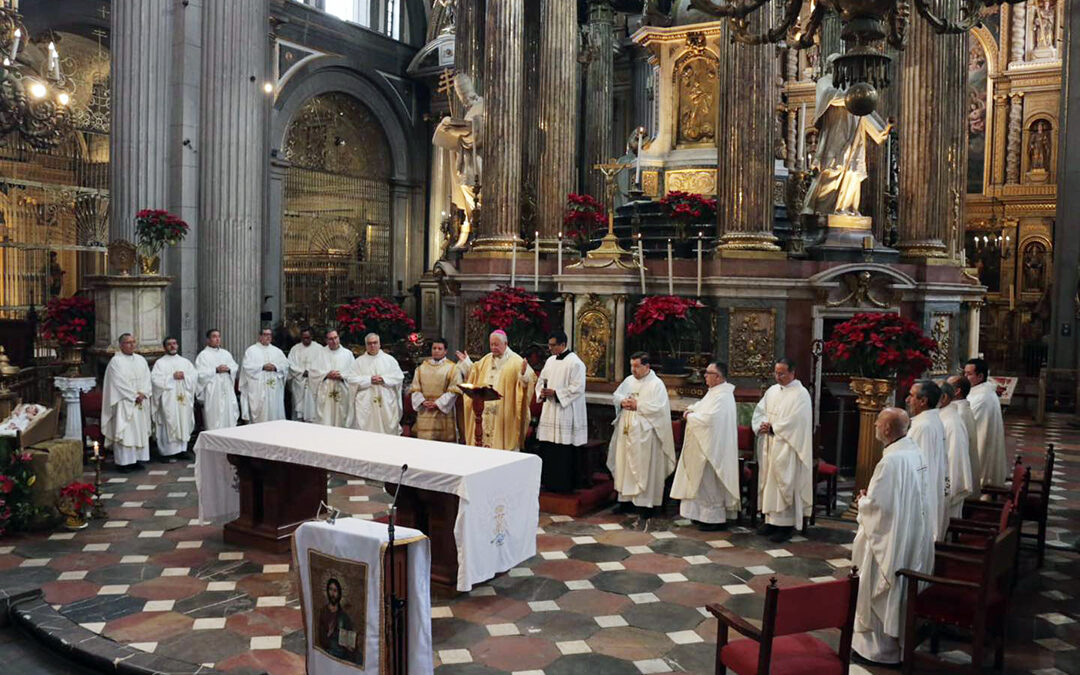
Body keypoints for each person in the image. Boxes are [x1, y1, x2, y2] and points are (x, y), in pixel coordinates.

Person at [851, 407, 934, 665]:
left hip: (888, 538)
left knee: (878, 584)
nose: (875, 425)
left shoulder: (890, 461)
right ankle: (893, 645)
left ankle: (878, 651)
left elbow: (880, 509)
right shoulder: (913, 451)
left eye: (878, 422)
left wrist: (864, 501)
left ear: (887, 429)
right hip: (908, 533)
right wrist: (872, 499)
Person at [670, 360, 739, 531]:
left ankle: (714, 519)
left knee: (710, 484)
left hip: (713, 449)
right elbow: (701, 407)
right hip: (704, 445)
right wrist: (692, 410)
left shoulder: (723, 396)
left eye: (708, 373)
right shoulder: (714, 392)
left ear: (717, 377)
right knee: (701, 483)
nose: (705, 376)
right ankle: (701, 516)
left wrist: (691, 417)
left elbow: (711, 419)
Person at [751, 357, 813, 543]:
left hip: (788, 446)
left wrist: (774, 428)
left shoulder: (801, 394)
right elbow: (760, 411)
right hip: (771, 444)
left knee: (783, 484)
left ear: (792, 373)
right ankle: (770, 520)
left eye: (782, 373)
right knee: (769, 482)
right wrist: (761, 425)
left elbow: (798, 421)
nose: (777, 377)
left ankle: (785, 525)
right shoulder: (772, 391)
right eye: (776, 373)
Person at [608, 353, 676, 515]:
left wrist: (638, 404)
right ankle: (625, 502)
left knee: (644, 468)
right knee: (624, 465)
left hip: (646, 435)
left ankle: (645, 504)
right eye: (632, 366)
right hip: (626, 432)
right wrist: (621, 401)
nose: (634, 370)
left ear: (647, 366)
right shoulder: (629, 381)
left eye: (637, 366)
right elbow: (617, 396)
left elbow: (659, 409)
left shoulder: (656, 384)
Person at [456, 330, 537, 450]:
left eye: (496, 344)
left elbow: (529, 380)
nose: (493, 347)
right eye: (491, 344)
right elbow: (474, 372)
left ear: (505, 343)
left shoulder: (516, 361)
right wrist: (466, 363)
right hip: (483, 412)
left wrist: (524, 375)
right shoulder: (486, 359)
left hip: (503, 413)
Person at [535, 330, 588, 493]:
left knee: (563, 449)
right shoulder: (550, 361)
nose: (550, 348)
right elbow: (541, 380)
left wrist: (557, 393)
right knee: (549, 447)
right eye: (549, 345)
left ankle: (564, 485)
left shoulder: (576, 363)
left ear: (563, 345)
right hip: (550, 409)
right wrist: (542, 392)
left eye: (553, 345)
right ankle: (549, 482)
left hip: (565, 411)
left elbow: (578, 388)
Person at [101, 333, 152, 473]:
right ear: (121, 345)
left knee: (138, 431)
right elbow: (118, 382)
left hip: (140, 401)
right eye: (128, 342)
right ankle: (123, 462)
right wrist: (134, 395)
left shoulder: (141, 360)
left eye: (133, 342)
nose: (131, 345)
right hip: (124, 401)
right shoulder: (116, 361)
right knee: (126, 431)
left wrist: (144, 393)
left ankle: (136, 460)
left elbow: (148, 378)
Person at [906, 379, 949, 542]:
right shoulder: (931, 420)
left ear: (923, 401)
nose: (907, 400)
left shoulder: (923, 427)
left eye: (911, 396)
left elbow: (920, 469)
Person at [347, 333, 404, 435]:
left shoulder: (389, 360)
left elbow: (399, 377)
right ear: (366, 345)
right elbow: (351, 379)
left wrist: (383, 379)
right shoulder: (359, 362)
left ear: (379, 344)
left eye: (375, 343)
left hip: (386, 402)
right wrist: (369, 380)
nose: (372, 346)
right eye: (369, 343)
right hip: (365, 402)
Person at [151, 336, 197, 462]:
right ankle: (167, 452)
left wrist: (185, 376)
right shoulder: (160, 363)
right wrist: (171, 377)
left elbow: (194, 376)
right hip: (168, 399)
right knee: (169, 421)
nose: (172, 346)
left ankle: (182, 450)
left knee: (183, 421)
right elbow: (155, 380)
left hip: (183, 399)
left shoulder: (185, 362)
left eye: (175, 343)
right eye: (169, 344)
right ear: (165, 347)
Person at [409, 337, 463, 442]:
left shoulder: (452, 368)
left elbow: (454, 390)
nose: (436, 351)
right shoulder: (421, 368)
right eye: (434, 348)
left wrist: (438, 403)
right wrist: (422, 401)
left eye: (439, 348)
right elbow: (415, 388)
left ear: (445, 351)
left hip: (443, 412)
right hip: (425, 411)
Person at [965, 357, 1006, 486]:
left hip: (980, 447)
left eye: (969, 374)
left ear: (980, 376)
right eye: (964, 373)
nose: (965, 377)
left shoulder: (981, 398)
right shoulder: (982, 392)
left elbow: (967, 423)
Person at [939, 379, 975, 518]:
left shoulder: (952, 422)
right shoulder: (946, 418)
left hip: (946, 494)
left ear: (944, 398)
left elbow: (954, 461)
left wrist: (947, 494)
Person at [239, 328, 289, 423]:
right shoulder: (251, 351)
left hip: (274, 388)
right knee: (261, 413)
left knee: (273, 409)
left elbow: (285, 365)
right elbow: (247, 367)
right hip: (258, 387)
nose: (268, 337)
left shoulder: (277, 351)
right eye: (265, 334)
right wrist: (262, 367)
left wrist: (275, 367)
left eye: (270, 335)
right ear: (260, 336)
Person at [309, 329, 355, 428]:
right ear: (326, 341)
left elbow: (354, 374)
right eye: (330, 339)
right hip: (325, 391)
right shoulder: (320, 353)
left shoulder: (348, 354)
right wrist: (326, 374)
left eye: (335, 338)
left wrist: (342, 375)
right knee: (326, 417)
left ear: (339, 338)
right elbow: (313, 372)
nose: (334, 341)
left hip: (342, 390)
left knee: (341, 417)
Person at [195, 329, 240, 430]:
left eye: (219, 336)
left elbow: (235, 366)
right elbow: (199, 374)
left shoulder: (226, 353)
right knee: (214, 419)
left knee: (228, 417)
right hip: (213, 392)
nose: (217, 339)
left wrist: (229, 369)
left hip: (226, 390)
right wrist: (215, 370)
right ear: (208, 340)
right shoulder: (203, 355)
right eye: (214, 336)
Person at [947, 374, 981, 486]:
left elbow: (954, 452)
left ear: (957, 391)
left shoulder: (958, 414)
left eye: (947, 387)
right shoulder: (961, 409)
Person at [316, 578, 359, 663]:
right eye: (330, 589)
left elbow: (350, 641)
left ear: (339, 594)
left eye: (335, 591)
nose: (332, 594)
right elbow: (321, 638)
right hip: (328, 653)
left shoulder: (344, 617)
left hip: (342, 655)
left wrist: (351, 646)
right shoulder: (323, 612)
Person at [287, 327, 323, 422]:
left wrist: (311, 373)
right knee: (299, 410)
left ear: (312, 336)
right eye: (304, 338)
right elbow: (290, 365)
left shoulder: (319, 349)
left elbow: (323, 365)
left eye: (308, 337)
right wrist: (302, 372)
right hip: (299, 383)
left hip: (313, 382)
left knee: (312, 408)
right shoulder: (295, 349)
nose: (306, 340)